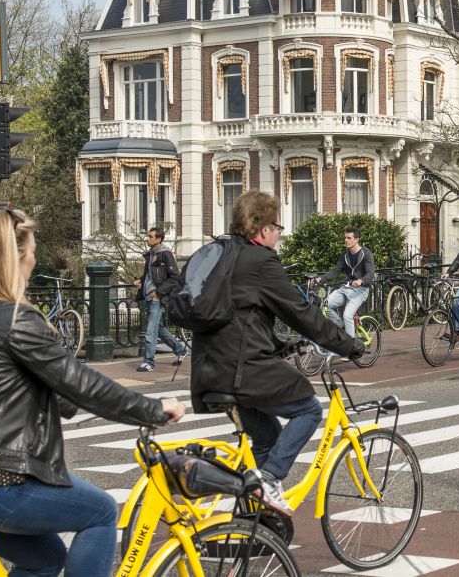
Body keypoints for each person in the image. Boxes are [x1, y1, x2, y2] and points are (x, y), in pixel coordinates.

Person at [0, 207, 183, 577]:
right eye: (33, 251)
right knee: (100, 512)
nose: (35, 260)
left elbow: (5, 386)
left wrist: (61, 397)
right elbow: (81, 382)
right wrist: (153, 409)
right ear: (16, 259)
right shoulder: (13, 318)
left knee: (46, 561)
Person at [190, 191, 362, 515]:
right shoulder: (260, 261)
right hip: (242, 371)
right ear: (263, 228)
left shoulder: (222, 255)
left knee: (267, 438)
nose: (279, 235)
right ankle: (269, 479)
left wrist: (282, 344)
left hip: (210, 370)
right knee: (308, 409)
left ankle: (253, 524)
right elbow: (300, 313)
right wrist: (346, 343)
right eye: (278, 227)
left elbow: (240, 317)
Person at [130, 227, 189, 373]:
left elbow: (174, 277)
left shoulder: (165, 254)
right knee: (160, 329)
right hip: (148, 296)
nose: (147, 238)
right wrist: (139, 281)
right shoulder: (151, 254)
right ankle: (180, 350)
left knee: (150, 331)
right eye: (147, 236)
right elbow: (149, 275)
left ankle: (149, 362)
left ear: (158, 239)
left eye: (150, 236)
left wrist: (159, 293)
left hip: (156, 298)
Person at [315, 227, 375, 335]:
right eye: (345, 238)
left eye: (349, 238)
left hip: (361, 290)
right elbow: (335, 272)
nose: (346, 240)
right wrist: (320, 279)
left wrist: (361, 280)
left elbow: (370, 274)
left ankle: (351, 344)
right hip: (346, 288)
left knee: (347, 315)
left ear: (356, 239)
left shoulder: (366, 253)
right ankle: (341, 327)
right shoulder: (345, 254)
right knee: (325, 306)